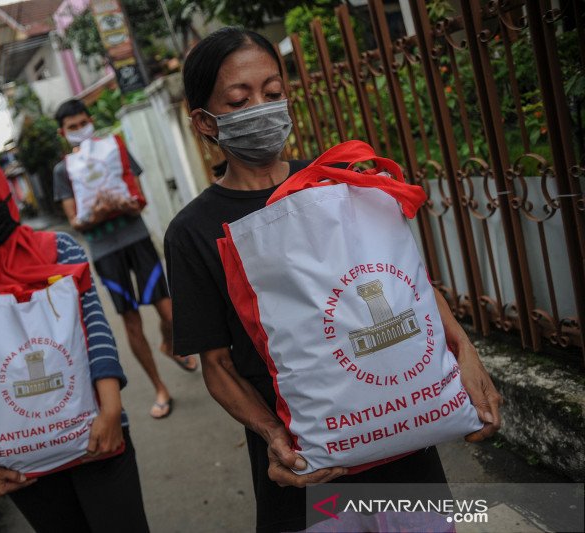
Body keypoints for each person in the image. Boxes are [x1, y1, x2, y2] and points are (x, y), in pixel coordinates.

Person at [164, 27, 503, 533]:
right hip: (311, 473)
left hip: (406, 447)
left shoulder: (339, 187)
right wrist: (273, 435)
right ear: (205, 122)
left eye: (273, 94)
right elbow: (215, 364)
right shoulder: (192, 232)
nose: (262, 107)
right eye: (240, 100)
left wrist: (468, 358)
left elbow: (410, 287)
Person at [0, 152, 149, 532]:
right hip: (18, 459)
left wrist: (111, 410)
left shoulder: (59, 249)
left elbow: (94, 329)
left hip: (96, 431)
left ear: (4, 196)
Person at [53, 98, 198, 420]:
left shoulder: (113, 149)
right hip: (104, 251)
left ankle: (169, 344)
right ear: (63, 133)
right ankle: (160, 387)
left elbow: (137, 194)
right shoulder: (63, 170)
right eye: (72, 128)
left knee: (169, 313)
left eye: (82, 123)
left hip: (137, 238)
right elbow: (75, 220)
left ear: (91, 120)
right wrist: (95, 215)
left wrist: (130, 205)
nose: (80, 130)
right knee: (131, 321)